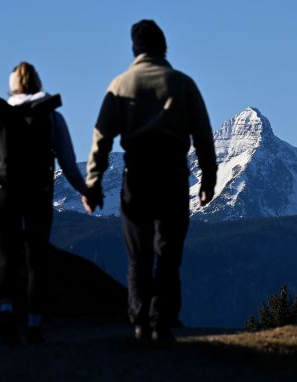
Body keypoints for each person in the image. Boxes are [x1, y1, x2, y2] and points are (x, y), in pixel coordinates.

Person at [82, 19, 217, 343]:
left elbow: (101, 138)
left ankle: (140, 318)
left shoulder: (120, 85)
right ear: (164, 47)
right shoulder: (183, 84)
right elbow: (202, 135)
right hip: (172, 173)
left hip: (137, 172)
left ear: (135, 49)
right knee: (168, 251)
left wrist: (93, 181)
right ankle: (163, 319)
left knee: (137, 252)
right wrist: (208, 179)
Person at [0, 62, 87, 345]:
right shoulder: (52, 116)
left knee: (7, 259)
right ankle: (34, 323)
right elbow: (67, 161)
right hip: (37, 192)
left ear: (12, 84)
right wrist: (85, 190)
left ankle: (6, 312)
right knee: (35, 259)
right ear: (38, 83)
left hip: (3, 193)